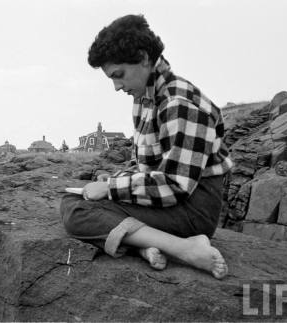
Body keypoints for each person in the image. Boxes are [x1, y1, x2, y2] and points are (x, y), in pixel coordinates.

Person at [60, 14, 233, 279]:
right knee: (74, 199)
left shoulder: (180, 104)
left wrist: (110, 188)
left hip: (192, 210)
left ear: (143, 58)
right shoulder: (145, 98)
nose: (117, 87)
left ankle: (185, 248)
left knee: (78, 212)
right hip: (170, 202)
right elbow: (148, 164)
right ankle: (144, 245)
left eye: (119, 75)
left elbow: (175, 185)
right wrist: (115, 179)